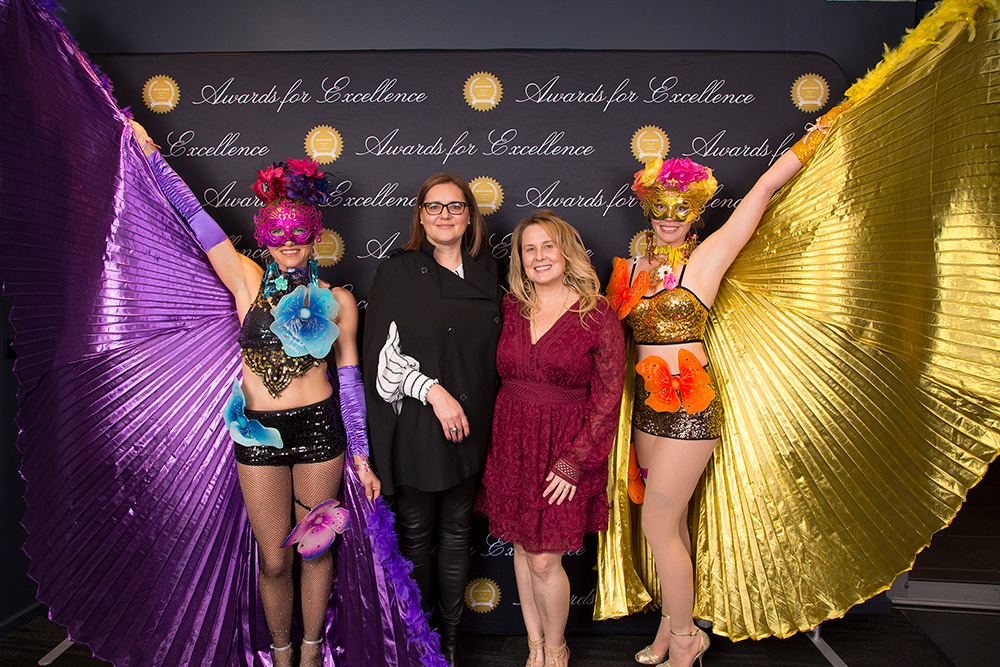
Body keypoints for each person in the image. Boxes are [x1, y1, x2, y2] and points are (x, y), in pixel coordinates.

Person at [607, 148, 807, 666]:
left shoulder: (706, 258)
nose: (670, 218)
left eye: (682, 209)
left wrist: (815, 140)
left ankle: (685, 640)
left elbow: (762, 191)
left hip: (690, 408)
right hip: (647, 410)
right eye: (661, 208)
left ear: (696, 213)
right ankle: (672, 626)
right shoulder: (636, 269)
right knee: (670, 526)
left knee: (657, 526)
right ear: (647, 208)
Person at [363, 173, 503, 667]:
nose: (445, 215)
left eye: (455, 206)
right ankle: (419, 642)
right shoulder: (397, 271)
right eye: (434, 206)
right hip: (419, 423)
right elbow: (379, 358)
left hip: (473, 421)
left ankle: (450, 642)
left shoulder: (489, 273)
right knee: (417, 534)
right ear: (421, 216)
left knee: (459, 531)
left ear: (469, 217)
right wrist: (431, 390)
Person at [477, 211, 625, 667]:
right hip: (512, 440)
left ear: (566, 253)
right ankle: (534, 644)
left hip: (563, 446)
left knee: (544, 559)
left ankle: (557, 647)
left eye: (548, 246)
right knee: (523, 548)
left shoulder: (597, 314)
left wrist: (575, 461)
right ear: (520, 259)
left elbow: (608, 397)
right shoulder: (510, 308)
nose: (539, 256)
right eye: (529, 249)